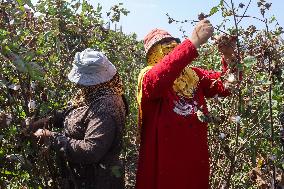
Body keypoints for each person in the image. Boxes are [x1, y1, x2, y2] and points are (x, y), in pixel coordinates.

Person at [136, 19, 239, 189]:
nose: (170, 47)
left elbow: (226, 86)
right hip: (164, 167)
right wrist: (194, 42)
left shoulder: (193, 76)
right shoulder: (148, 78)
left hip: (194, 164)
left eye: (172, 43)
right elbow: (164, 72)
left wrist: (229, 57)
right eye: (162, 45)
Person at [33, 49, 127, 189]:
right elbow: (78, 115)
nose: (78, 85)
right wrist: (50, 119)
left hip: (98, 181)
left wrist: (51, 138)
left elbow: (90, 151)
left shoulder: (106, 108)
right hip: (85, 177)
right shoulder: (97, 94)